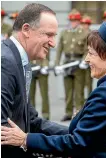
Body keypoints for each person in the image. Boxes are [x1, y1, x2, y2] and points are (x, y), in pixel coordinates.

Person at [1, 21, 106, 158]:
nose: (86, 59)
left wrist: (26, 139)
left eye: (91, 53)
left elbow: (77, 144)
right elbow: (91, 137)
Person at [1, 3, 68, 158]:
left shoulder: (21, 61)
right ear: (26, 30)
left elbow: (31, 120)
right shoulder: (5, 62)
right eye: (48, 35)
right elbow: (2, 130)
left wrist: (75, 133)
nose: (53, 43)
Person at [55, 9, 88, 121]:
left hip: (78, 63)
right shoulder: (64, 32)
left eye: (75, 21)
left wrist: (84, 60)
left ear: (79, 21)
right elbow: (59, 49)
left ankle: (79, 113)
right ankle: (68, 112)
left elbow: (87, 49)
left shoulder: (85, 33)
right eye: (71, 20)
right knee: (68, 90)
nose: (73, 22)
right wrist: (56, 64)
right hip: (67, 63)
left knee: (79, 91)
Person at [30, 55, 50, 120]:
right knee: (30, 94)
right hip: (30, 67)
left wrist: (45, 65)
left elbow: (46, 54)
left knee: (44, 94)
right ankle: (31, 115)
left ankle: (46, 114)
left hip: (41, 67)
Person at [81, 15, 93, 96]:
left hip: (89, 61)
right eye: (84, 24)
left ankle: (89, 98)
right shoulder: (79, 33)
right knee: (80, 84)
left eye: (87, 24)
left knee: (89, 83)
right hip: (80, 61)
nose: (85, 26)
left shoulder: (91, 34)